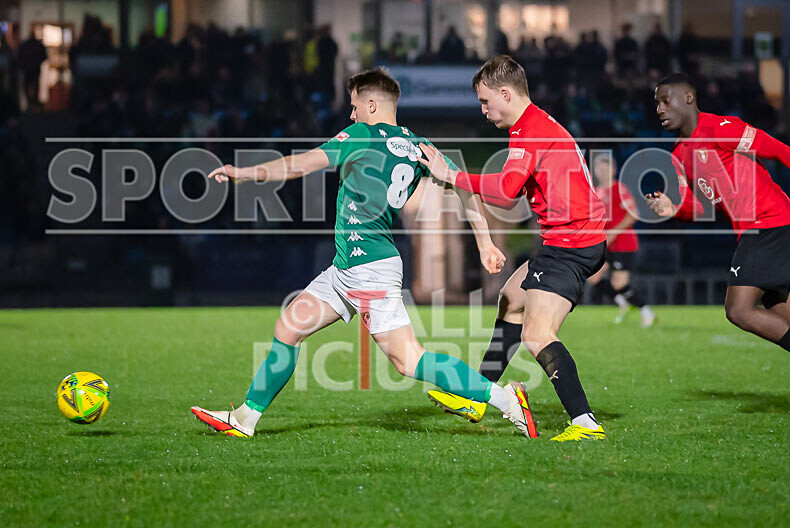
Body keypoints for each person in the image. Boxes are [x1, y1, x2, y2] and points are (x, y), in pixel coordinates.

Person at [192, 69, 538, 439]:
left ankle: (505, 400)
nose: (351, 115)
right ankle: (245, 419)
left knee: (408, 360)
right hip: (348, 267)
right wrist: (484, 243)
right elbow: (465, 188)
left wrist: (243, 174)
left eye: (355, 107)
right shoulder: (419, 146)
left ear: (372, 104)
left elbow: (302, 164)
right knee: (290, 326)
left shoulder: (361, 135)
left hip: (369, 268)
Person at [420, 55, 608, 442]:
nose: (484, 111)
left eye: (486, 102)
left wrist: (452, 174)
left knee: (537, 335)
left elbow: (506, 194)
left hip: (570, 243)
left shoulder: (530, 131)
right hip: (571, 240)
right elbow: (520, 186)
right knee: (510, 299)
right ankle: (476, 397)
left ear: (506, 94)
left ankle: (585, 423)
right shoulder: (533, 126)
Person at [648, 73, 790, 358]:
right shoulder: (679, 155)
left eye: (665, 101)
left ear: (688, 98)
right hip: (766, 230)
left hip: (770, 223)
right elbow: (702, 207)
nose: (659, 109)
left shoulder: (721, 128)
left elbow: (778, 151)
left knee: (738, 310)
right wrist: (673, 209)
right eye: (656, 103)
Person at [587, 154, 656, 327]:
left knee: (619, 283)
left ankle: (646, 312)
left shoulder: (619, 189)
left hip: (623, 244)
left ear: (613, 170)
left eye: (605, 168)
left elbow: (634, 214)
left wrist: (613, 233)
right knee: (593, 277)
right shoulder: (597, 191)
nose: (602, 171)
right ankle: (623, 303)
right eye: (599, 168)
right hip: (605, 244)